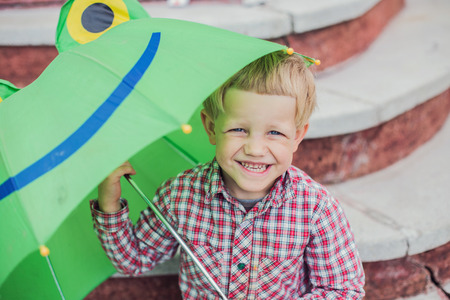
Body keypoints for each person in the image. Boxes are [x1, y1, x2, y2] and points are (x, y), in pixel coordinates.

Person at [91, 51, 365, 299]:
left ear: (297, 136)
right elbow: (134, 259)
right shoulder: (180, 196)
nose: (255, 149)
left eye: (275, 132)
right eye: (238, 130)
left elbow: (344, 289)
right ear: (210, 127)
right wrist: (109, 203)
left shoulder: (315, 208)